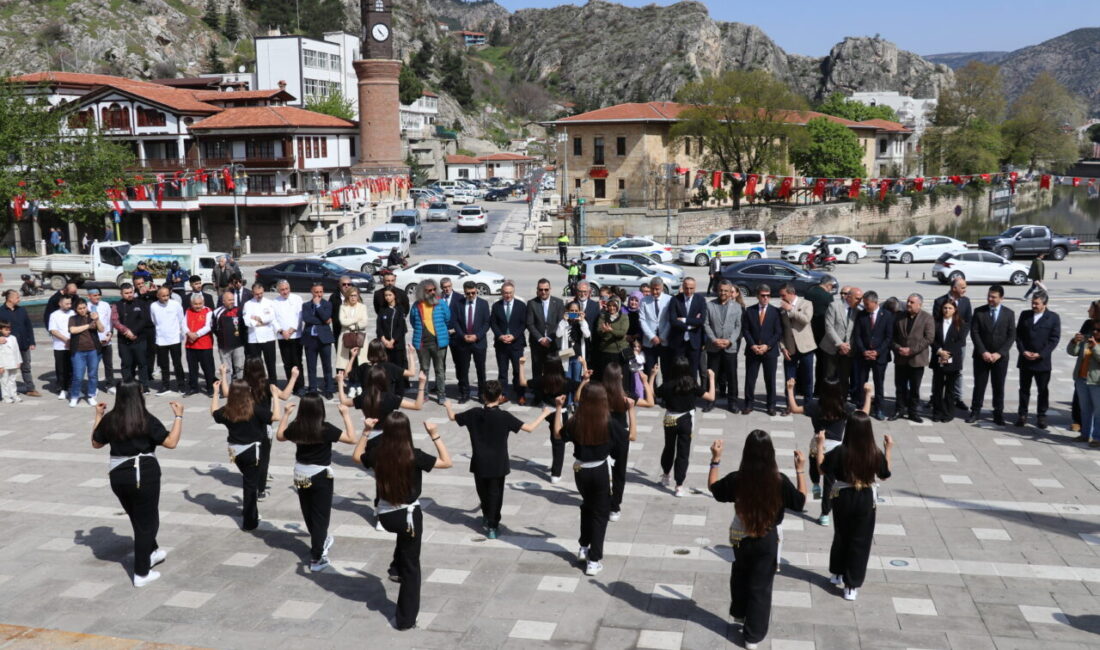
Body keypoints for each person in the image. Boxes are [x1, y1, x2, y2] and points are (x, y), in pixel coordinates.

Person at [352, 412, 451, 631]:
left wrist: (366, 432)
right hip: (408, 519)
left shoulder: (378, 453)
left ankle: (395, 567)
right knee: (412, 569)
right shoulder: (413, 455)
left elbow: (357, 456)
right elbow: (447, 461)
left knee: (403, 544)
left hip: (385, 516)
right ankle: (405, 620)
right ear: (407, 432)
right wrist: (434, 434)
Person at [708, 432, 807, 649]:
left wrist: (715, 459)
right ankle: (752, 636)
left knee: (741, 574)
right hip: (767, 538)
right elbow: (800, 501)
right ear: (771, 454)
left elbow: (714, 489)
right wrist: (800, 469)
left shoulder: (737, 478)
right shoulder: (779, 480)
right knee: (761, 586)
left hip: (740, 537)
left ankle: (740, 613)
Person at [91, 383, 184, 586]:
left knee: (138, 517)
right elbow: (171, 442)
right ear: (139, 396)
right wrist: (178, 417)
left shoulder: (111, 419)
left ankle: (152, 551)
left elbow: (96, 442)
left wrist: (98, 416)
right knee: (147, 523)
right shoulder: (145, 419)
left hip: (118, 476)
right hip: (143, 474)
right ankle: (141, 573)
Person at [444, 380, 552, 538]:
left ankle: (487, 517)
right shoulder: (504, 416)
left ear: (483, 396)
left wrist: (448, 406)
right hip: (498, 464)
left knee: (483, 492)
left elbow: (453, 417)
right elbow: (529, 428)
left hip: (479, 462)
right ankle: (493, 526)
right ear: (500, 397)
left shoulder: (473, 413)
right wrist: (544, 414)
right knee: (496, 494)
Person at [551, 383, 633, 576]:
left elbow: (557, 434)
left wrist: (558, 408)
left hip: (580, 470)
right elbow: (632, 436)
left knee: (587, 506)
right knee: (600, 514)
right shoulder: (609, 422)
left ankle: (583, 547)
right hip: (600, 471)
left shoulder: (576, 421)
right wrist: (631, 411)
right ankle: (593, 561)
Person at [275, 394, 358, 572]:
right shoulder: (325, 428)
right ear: (321, 409)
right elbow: (352, 438)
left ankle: (319, 541)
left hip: (300, 474)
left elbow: (280, 436)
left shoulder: (297, 426)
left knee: (308, 512)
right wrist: (346, 415)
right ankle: (317, 557)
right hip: (320, 475)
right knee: (321, 516)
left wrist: (286, 414)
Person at [816, 412, 893, 602]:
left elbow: (821, 469)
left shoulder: (840, 451)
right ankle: (851, 585)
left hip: (842, 496)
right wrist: (888, 449)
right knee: (860, 541)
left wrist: (819, 445)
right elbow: (884, 475)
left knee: (841, 535)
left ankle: (837, 573)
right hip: (865, 498)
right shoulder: (874, 452)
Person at [787, 377, 872, 526]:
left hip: (817, 443)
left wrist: (790, 390)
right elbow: (864, 413)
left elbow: (794, 408)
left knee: (814, 466)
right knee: (830, 482)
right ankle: (825, 514)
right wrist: (868, 394)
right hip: (835, 449)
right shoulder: (845, 407)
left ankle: (815, 484)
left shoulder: (815, 405)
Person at [575, 361, 651, 521]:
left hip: (602, 431)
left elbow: (577, 398)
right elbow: (650, 403)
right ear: (619, 377)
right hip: (620, 436)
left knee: (603, 468)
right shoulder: (626, 396)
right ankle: (614, 507)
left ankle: (600, 500)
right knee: (619, 473)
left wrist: (584, 381)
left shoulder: (599, 393)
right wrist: (646, 383)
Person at [210, 378, 281, 530]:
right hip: (251, 452)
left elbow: (214, 413)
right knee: (250, 486)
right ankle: (250, 521)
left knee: (250, 481)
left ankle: (252, 511)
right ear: (247, 392)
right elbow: (275, 417)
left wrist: (215, 393)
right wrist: (275, 396)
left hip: (235, 452)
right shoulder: (253, 408)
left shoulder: (227, 410)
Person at [237, 357, 298, 501]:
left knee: (252, 455)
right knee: (264, 458)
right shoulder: (266, 384)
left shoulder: (241, 384)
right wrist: (294, 377)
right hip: (264, 425)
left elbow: (228, 394)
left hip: (246, 425)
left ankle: (254, 479)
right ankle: (261, 490)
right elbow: (284, 395)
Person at [658, 356, 716, 497]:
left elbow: (653, 393)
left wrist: (652, 375)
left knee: (669, 447)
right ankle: (679, 486)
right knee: (683, 453)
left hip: (670, 419)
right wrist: (712, 379)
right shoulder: (692, 384)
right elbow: (711, 397)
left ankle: (666, 476)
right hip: (685, 420)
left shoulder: (668, 385)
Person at [967, 285, 1015, 425]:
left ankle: (998, 413)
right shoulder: (979, 312)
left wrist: (1000, 353)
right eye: (989, 296)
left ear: (1001, 298)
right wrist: (983, 351)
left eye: (993, 297)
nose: (990, 299)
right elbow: (974, 332)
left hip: (1000, 358)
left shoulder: (1008, 313)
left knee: (998, 386)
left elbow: (1011, 335)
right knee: (979, 385)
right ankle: (975, 411)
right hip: (982, 356)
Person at [1014, 290, 1061, 429]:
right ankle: (1022, 414)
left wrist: (1041, 354)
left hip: (1042, 361)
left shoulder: (1053, 317)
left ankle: (1041, 416)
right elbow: (1019, 336)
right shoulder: (1025, 315)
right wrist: (1023, 351)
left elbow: (1054, 339)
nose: (1033, 306)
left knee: (1042, 390)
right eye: (1032, 303)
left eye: (1037, 303)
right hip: (1026, 360)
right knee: (1024, 389)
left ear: (1045, 304)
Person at [889, 294, 933, 423]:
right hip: (901, 358)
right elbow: (892, 337)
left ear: (919, 304)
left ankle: (913, 412)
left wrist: (911, 350)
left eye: (912, 302)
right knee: (900, 386)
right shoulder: (899, 316)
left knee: (915, 388)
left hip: (917, 359)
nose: (908, 304)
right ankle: (899, 409)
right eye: (908, 301)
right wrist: (898, 348)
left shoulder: (927, 318)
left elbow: (929, 338)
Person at [932, 278, 972, 412]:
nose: (965, 290)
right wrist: (942, 350)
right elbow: (936, 325)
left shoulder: (965, 301)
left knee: (956, 371)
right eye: (963, 288)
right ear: (954, 288)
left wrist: (959, 340)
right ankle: (936, 399)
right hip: (942, 347)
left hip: (958, 345)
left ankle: (957, 398)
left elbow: (968, 322)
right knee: (941, 371)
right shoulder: (939, 301)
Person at [743, 284, 782, 415]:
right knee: (750, 379)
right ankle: (748, 404)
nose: (766, 298)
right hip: (753, 351)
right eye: (763, 295)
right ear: (757, 296)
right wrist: (752, 345)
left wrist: (767, 346)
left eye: (768, 295)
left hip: (769, 352)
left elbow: (778, 332)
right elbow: (746, 330)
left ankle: (771, 405)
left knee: (770, 379)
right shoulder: (749, 311)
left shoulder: (775, 312)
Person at [704, 280, 743, 413]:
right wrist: (714, 340)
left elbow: (738, 326)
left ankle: (732, 402)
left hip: (729, 347)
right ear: (717, 290)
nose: (723, 293)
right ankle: (710, 401)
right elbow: (706, 324)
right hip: (713, 346)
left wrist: (730, 341)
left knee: (732, 376)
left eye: (726, 290)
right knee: (711, 375)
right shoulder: (710, 305)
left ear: (730, 291)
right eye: (721, 290)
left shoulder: (737, 306)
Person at [410, 279, 450, 404]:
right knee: (424, 369)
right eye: (429, 290)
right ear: (423, 292)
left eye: (434, 289)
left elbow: (448, 318)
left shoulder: (441, 303)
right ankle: (424, 394)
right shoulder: (417, 305)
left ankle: (441, 395)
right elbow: (412, 321)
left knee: (440, 370)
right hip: (422, 343)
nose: (433, 292)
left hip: (439, 342)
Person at [854, 291, 893, 421]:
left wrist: (877, 352)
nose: (864, 306)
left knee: (879, 383)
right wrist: (864, 350)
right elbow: (857, 335)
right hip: (864, 356)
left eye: (867, 304)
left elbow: (888, 337)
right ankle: (862, 407)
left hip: (879, 357)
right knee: (861, 382)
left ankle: (879, 408)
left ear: (875, 302)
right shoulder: (861, 315)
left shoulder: (887, 315)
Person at [525, 278, 565, 405]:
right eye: (541, 290)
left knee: (553, 370)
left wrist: (549, 338)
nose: (543, 292)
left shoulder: (558, 303)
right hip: (537, 344)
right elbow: (530, 323)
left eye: (546, 289)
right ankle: (538, 396)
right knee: (537, 370)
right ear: (537, 290)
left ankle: (552, 395)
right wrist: (540, 338)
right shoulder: (532, 303)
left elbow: (561, 323)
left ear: (550, 289)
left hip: (553, 343)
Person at [451, 281, 490, 403]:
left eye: (473, 293)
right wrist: (463, 336)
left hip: (479, 342)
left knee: (480, 370)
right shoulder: (458, 304)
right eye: (468, 293)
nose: (471, 295)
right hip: (463, 342)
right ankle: (465, 393)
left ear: (476, 291)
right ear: (464, 293)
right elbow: (455, 322)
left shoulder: (483, 304)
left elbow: (486, 323)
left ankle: (482, 394)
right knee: (463, 369)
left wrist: (477, 336)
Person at [778, 283, 816, 404]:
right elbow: (781, 330)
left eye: (783, 295)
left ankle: (808, 403)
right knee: (789, 377)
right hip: (790, 348)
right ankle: (790, 403)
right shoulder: (781, 309)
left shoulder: (806, 304)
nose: (781, 298)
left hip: (806, 347)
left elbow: (806, 319)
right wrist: (783, 348)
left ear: (791, 293)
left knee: (807, 377)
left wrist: (791, 310)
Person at [930, 299, 966, 423]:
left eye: (950, 308)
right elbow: (931, 339)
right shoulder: (936, 322)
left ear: (955, 310)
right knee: (938, 388)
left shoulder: (960, 324)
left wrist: (947, 355)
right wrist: (940, 351)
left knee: (950, 389)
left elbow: (960, 342)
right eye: (945, 308)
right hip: (939, 356)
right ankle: (937, 412)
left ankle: (948, 413)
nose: (947, 310)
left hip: (953, 359)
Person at [491, 282, 527, 403]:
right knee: (502, 371)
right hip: (501, 344)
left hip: (516, 344)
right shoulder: (496, 306)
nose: (508, 295)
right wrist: (500, 336)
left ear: (513, 292)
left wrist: (514, 336)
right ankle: (503, 394)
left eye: (510, 292)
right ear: (502, 293)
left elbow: (523, 324)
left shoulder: (521, 305)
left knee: (518, 371)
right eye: (505, 293)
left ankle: (520, 394)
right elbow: (493, 323)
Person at [0, 290, 39, 397]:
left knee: (26, 367)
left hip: (23, 344)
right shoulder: (1, 311)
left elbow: (28, 326)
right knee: (6, 368)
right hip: (7, 346)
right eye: (17, 297)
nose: (19, 299)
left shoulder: (22, 310)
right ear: (10, 299)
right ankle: (5, 391)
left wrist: (32, 341)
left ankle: (30, 389)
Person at [668, 278, 707, 383]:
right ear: (683, 287)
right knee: (677, 370)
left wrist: (684, 320)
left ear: (695, 287)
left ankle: (692, 395)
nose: (689, 291)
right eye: (686, 288)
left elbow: (701, 320)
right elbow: (673, 321)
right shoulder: (675, 300)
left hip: (694, 342)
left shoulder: (700, 300)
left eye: (691, 288)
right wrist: (691, 325)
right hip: (679, 342)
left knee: (693, 371)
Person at [112, 284, 150, 392]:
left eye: (131, 292)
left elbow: (144, 320)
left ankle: (144, 387)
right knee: (126, 364)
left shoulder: (140, 303)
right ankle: (128, 387)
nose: (129, 295)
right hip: (124, 341)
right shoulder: (117, 305)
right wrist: (126, 332)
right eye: (126, 293)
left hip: (139, 339)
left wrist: (133, 332)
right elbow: (115, 321)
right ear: (121, 294)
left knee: (142, 363)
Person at [67, 299, 104, 407]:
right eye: (80, 308)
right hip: (78, 351)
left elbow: (101, 330)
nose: (83, 310)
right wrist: (88, 326)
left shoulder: (92, 316)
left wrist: (97, 320)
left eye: (84, 307)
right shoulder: (73, 318)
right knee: (78, 375)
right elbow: (72, 330)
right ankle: (74, 396)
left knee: (93, 374)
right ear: (76, 310)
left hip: (93, 350)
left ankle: (91, 395)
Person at [301, 283, 336, 398]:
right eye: (316, 292)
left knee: (327, 365)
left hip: (324, 339)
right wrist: (322, 320)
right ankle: (313, 388)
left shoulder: (327, 304)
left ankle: (329, 388)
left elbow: (327, 317)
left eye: (321, 292)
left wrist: (318, 307)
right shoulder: (306, 305)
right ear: (312, 292)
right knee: (311, 366)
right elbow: (307, 318)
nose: (319, 294)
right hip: (310, 339)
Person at [150, 287, 186, 395]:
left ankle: (181, 385)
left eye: (167, 295)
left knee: (177, 363)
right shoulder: (153, 306)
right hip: (161, 339)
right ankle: (165, 386)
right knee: (164, 365)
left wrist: (180, 333)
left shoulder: (175, 304)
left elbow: (181, 319)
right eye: (163, 296)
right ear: (158, 296)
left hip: (175, 338)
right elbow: (154, 321)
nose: (166, 298)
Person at [1068, 325, 1100, 447]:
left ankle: (1097, 437)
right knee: (1085, 410)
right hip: (1082, 379)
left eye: (1098, 330)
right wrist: (1074, 341)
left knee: (1098, 411)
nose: (1095, 332)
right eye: (1094, 330)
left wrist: (1095, 347)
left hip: (1096, 382)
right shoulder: (1087, 341)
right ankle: (1085, 434)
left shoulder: (1094, 344)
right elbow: (1073, 352)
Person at [376, 286, 410, 391]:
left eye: (390, 295)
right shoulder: (382, 309)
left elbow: (401, 328)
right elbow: (379, 326)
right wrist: (384, 340)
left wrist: (392, 340)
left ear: (394, 295)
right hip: (385, 345)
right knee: (386, 368)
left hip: (397, 345)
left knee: (398, 368)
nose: (387, 297)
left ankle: (399, 390)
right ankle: (388, 389)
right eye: (386, 295)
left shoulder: (400, 309)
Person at [336, 288, 370, 393]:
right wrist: (356, 320)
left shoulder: (362, 307)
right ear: (347, 297)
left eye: (355, 295)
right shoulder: (343, 307)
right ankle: (351, 385)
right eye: (351, 295)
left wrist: (352, 324)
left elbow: (365, 322)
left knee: (359, 362)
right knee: (348, 361)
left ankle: (359, 384)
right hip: (346, 337)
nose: (353, 297)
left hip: (359, 337)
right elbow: (342, 321)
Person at [806, 279, 837, 393]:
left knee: (807, 361)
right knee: (822, 362)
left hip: (809, 331)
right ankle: (819, 389)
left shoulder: (809, 292)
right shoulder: (827, 297)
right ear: (828, 285)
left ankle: (803, 387)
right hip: (823, 333)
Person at [273, 280, 304, 391]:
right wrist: (282, 331)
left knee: (297, 362)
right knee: (287, 363)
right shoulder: (275, 302)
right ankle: (291, 386)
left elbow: (300, 316)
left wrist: (292, 329)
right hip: (283, 336)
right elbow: (274, 319)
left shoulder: (297, 299)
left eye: (287, 289)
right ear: (278, 291)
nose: (285, 292)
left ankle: (300, 386)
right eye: (282, 290)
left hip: (296, 335)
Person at [243, 283, 278, 381]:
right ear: (253, 293)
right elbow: (247, 320)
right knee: (256, 365)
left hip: (269, 337)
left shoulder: (269, 302)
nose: (259, 296)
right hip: (254, 338)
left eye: (261, 293)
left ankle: (273, 385)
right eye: (257, 294)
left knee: (271, 363)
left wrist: (258, 318)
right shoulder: (248, 304)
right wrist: (260, 322)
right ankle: (257, 385)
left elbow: (271, 317)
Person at [184, 293, 216, 397]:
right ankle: (193, 387)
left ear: (203, 302)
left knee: (208, 368)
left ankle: (210, 388)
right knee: (192, 368)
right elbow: (183, 324)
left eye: (200, 303)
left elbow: (208, 327)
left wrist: (196, 334)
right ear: (191, 303)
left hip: (205, 345)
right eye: (195, 304)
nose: (198, 306)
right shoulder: (188, 311)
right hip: (190, 345)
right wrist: (189, 333)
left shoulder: (208, 311)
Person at [213, 289, 246, 380]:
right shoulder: (217, 312)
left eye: (233, 300)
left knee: (240, 367)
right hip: (224, 346)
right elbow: (214, 328)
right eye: (229, 300)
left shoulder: (239, 310)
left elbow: (243, 326)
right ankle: (227, 390)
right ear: (223, 301)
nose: (232, 302)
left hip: (238, 345)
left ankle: (240, 388)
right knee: (226, 370)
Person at [87, 289, 115, 394]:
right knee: (93, 365)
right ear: (89, 296)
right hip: (93, 341)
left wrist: (110, 334)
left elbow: (110, 321)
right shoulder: (86, 307)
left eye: (99, 295)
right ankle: (94, 386)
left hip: (106, 340)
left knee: (108, 364)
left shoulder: (105, 305)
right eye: (95, 295)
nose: (97, 297)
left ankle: (110, 385)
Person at [47, 295, 75, 399]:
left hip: (73, 346)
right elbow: (53, 330)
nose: (69, 306)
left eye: (70, 303)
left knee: (73, 368)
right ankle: (63, 389)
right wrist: (66, 340)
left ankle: (74, 388)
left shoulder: (73, 313)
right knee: (61, 369)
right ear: (60, 303)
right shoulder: (54, 315)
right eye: (67, 303)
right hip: (60, 347)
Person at [594, 296, 629, 378]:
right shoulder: (603, 316)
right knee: (606, 375)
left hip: (619, 351)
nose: (612, 308)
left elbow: (622, 333)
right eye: (610, 306)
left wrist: (610, 330)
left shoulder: (624, 317)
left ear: (618, 307)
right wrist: (603, 331)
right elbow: (599, 331)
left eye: (614, 306)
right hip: (606, 350)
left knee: (618, 375)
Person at [0, 321, 20, 402]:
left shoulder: (13, 338)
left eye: (9, 329)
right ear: (0, 329)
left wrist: (18, 361)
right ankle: (6, 396)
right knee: (4, 381)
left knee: (13, 379)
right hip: (4, 364)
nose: (8, 331)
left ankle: (14, 394)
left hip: (13, 362)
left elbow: (17, 350)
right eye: (6, 329)